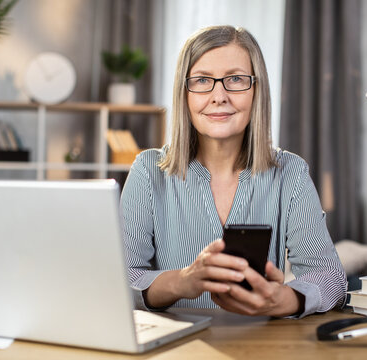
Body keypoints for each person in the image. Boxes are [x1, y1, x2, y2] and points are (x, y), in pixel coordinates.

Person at [120, 25, 347, 318]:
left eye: (236, 79)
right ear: (184, 93)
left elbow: (331, 278)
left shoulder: (291, 173)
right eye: (202, 80)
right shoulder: (148, 171)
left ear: (257, 90)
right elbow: (121, 281)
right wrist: (183, 281)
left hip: (259, 344)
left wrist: (285, 300)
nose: (219, 95)